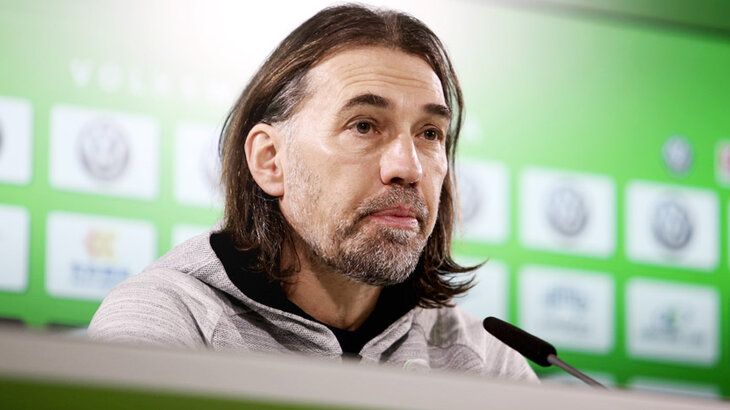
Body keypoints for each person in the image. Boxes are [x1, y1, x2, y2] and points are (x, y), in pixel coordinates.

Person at [89, 4, 537, 381]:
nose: (408, 166)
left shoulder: (486, 360)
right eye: (364, 125)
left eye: (430, 133)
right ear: (270, 160)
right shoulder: (166, 322)